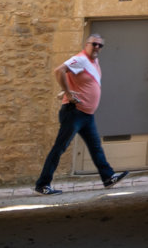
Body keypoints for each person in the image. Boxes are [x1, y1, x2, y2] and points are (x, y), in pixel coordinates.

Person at [34, 33, 129, 195]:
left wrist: (68, 89)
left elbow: (73, 77)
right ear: (87, 44)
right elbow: (60, 71)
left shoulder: (92, 61)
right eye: (94, 44)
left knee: (95, 147)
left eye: (100, 45)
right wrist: (68, 93)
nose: (97, 47)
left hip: (86, 115)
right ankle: (42, 185)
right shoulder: (82, 59)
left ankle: (108, 177)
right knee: (59, 148)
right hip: (74, 113)